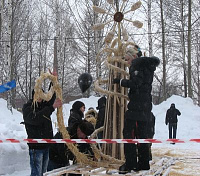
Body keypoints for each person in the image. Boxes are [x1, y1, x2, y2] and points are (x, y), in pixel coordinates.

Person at [113, 45, 160, 173]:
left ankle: (130, 163)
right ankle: (144, 163)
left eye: (128, 59)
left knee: (128, 133)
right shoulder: (148, 67)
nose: (127, 63)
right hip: (145, 106)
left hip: (136, 106)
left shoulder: (137, 65)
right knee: (143, 135)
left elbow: (136, 84)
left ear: (133, 57)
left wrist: (120, 81)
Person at [22, 87, 62, 176]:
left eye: (41, 95)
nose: (39, 97)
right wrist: (51, 108)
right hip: (36, 148)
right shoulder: (28, 107)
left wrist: (53, 81)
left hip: (46, 146)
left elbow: (51, 97)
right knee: (36, 173)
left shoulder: (44, 106)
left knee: (43, 172)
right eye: (37, 94)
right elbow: (36, 119)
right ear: (33, 96)